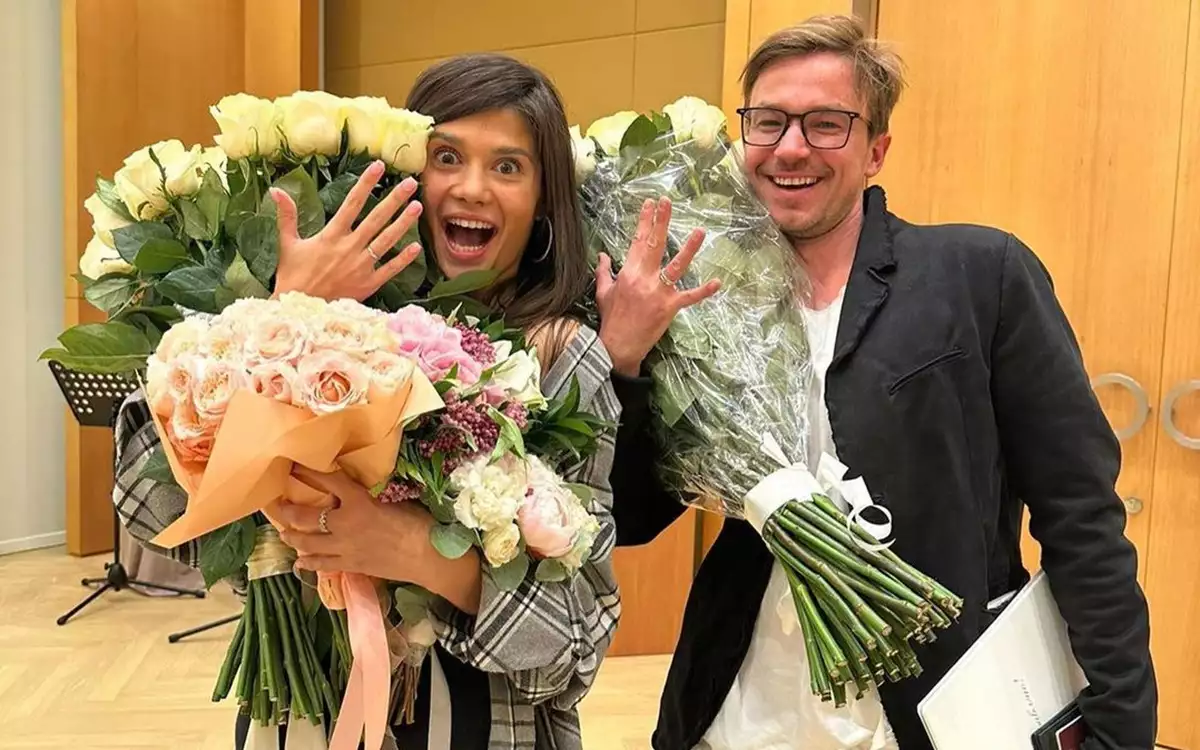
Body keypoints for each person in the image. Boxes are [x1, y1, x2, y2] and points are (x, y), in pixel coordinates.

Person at [596, 14, 1156, 750]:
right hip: (733, 716)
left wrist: (1120, 723)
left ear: (876, 149)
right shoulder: (698, 299)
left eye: (827, 124)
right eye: (768, 121)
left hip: (930, 713)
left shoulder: (977, 276)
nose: (791, 148)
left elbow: (1079, 514)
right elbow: (631, 518)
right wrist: (624, 361)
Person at [113, 53, 623, 750]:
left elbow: (576, 643)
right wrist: (277, 315)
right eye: (447, 157)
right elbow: (148, 508)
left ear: (543, 203)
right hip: (302, 718)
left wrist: (421, 555)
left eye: (508, 167)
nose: (472, 188)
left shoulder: (562, 357)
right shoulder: (318, 317)